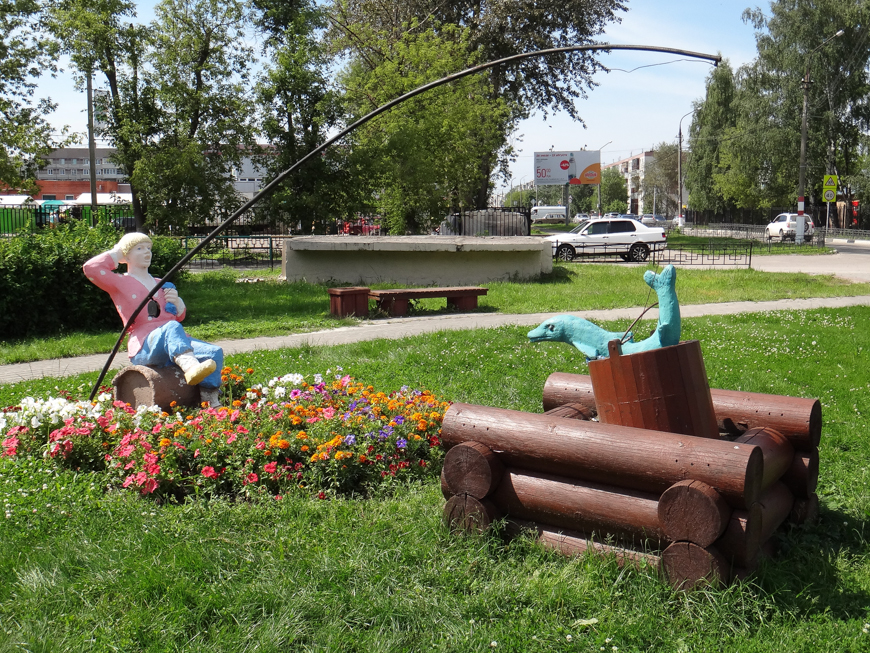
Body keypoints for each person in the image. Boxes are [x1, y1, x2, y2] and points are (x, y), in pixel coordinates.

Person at [83, 232, 223, 407]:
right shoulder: (120, 282)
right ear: (126, 255)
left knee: (213, 352)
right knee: (171, 327)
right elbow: (91, 269)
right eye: (139, 248)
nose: (146, 252)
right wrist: (118, 252)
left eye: (148, 248)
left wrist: (179, 304)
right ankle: (190, 366)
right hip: (144, 345)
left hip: (173, 341)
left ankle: (209, 399)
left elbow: (176, 317)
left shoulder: (160, 283)